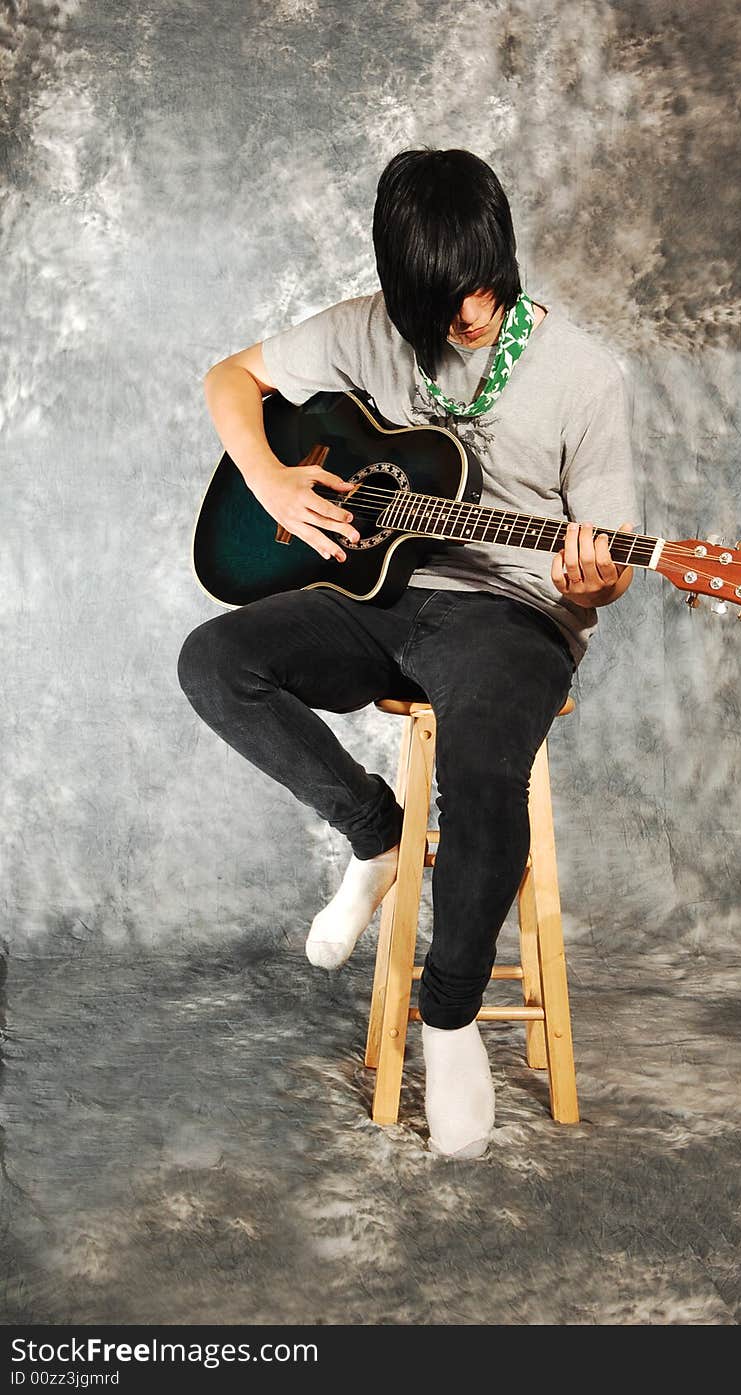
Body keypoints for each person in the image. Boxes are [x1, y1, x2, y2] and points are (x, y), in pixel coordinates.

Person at [177, 147, 640, 1159]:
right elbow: (230, 378)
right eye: (445, 303)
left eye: (483, 291)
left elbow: (608, 559)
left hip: (511, 614)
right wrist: (270, 482)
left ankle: (450, 1020)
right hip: (377, 599)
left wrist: (594, 579)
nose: (469, 316)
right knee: (215, 662)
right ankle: (375, 837)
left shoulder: (585, 377)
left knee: (482, 774)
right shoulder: (366, 327)